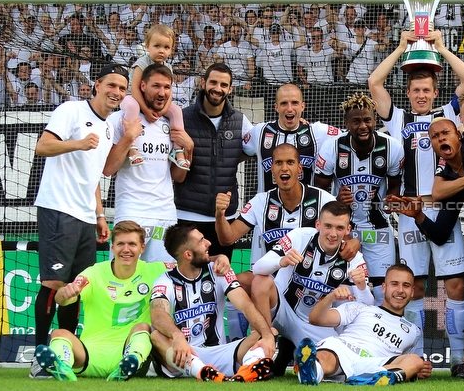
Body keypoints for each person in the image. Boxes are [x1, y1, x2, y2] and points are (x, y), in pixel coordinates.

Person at [368, 29, 464, 346]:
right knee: (412, 284)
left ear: (435, 91)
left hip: (446, 208)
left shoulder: (448, 114)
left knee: (454, 284)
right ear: (409, 93)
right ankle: (414, 352)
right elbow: (375, 83)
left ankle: (457, 359)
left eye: (426, 90)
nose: (421, 95)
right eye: (416, 90)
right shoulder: (398, 118)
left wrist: (441, 48)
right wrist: (401, 48)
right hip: (409, 210)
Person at [30, 63, 128, 373]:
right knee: (54, 282)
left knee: (76, 285)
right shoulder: (71, 110)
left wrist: (99, 214)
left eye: (122, 88)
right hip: (59, 208)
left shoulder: (110, 126)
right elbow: (42, 146)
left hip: (85, 215)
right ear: (97, 85)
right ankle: (39, 355)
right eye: (111, 85)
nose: (116, 92)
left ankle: (65, 354)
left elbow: (93, 175)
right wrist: (78, 143)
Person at [32, 221, 170, 382]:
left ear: (142, 248)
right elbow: (61, 299)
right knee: (59, 333)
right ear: (112, 247)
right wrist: (66, 292)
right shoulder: (95, 273)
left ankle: (129, 364)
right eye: (120, 244)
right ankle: (63, 367)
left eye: (132, 244)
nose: (126, 249)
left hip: (127, 351)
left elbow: (186, 268)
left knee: (143, 328)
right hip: (90, 354)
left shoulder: (156, 271)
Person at [149, 223, 276, 383]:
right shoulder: (165, 280)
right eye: (201, 241)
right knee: (155, 335)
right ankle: (201, 371)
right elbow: (157, 314)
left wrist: (266, 335)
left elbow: (245, 305)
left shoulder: (219, 271)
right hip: (185, 354)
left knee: (266, 330)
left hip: (220, 351)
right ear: (188, 255)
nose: (208, 243)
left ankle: (247, 371)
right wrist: (177, 336)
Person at [248, 201, 374, 354]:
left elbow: (367, 305)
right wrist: (281, 261)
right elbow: (258, 268)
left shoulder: (354, 258)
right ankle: (265, 346)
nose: (333, 234)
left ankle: (288, 352)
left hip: (314, 323)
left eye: (339, 228)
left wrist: (361, 286)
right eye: (328, 226)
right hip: (282, 310)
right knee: (261, 281)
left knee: (337, 356)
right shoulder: (300, 236)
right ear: (318, 224)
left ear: (348, 229)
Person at [314, 93, 403, 296]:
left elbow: (395, 184)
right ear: (346, 123)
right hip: (343, 230)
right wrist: (336, 200)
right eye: (356, 121)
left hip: (378, 229)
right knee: (343, 290)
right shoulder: (331, 148)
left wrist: (391, 200)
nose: (362, 126)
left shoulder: (392, 148)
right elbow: (319, 193)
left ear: (375, 121)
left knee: (383, 291)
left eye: (367, 120)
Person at [104, 64, 192, 262]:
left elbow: (178, 177)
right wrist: (129, 136)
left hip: (165, 214)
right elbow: (109, 169)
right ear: (142, 86)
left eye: (167, 87)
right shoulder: (121, 119)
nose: (162, 93)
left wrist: (189, 149)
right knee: (123, 277)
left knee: (162, 278)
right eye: (156, 86)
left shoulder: (172, 122)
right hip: (132, 212)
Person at [295, 264, 433, 386]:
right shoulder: (361, 308)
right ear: (384, 287)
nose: (400, 290)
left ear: (412, 291)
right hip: (344, 351)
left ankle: (371, 378)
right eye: (395, 284)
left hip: (376, 365)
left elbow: (405, 362)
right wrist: (331, 297)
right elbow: (315, 319)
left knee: (416, 360)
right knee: (326, 355)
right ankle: (313, 371)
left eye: (406, 285)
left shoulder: (413, 332)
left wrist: (418, 370)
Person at [173, 63, 256, 259]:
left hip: (224, 218)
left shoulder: (240, 121)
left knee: (219, 278)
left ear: (230, 89)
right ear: (203, 83)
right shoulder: (182, 117)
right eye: (213, 82)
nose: (217, 89)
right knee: (187, 277)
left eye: (223, 84)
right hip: (187, 215)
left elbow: (256, 147)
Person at [246, 83, 340, 192]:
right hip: (267, 207)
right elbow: (236, 152)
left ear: (302, 106)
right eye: (284, 103)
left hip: (306, 207)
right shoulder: (260, 131)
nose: (289, 109)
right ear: (276, 107)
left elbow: (351, 136)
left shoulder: (318, 132)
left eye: (295, 103)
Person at [120, 24, 189, 169]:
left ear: (171, 50)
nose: (161, 51)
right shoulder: (142, 63)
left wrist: (162, 111)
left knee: (176, 111)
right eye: (157, 46)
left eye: (166, 47)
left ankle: (178, 150)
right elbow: (134, 88)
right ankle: (131, 147)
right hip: (132, 97)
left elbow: (169, 92)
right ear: (147, 46)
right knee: (132, 106)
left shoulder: (168, 67)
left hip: (154, 101)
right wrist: (145, 110)